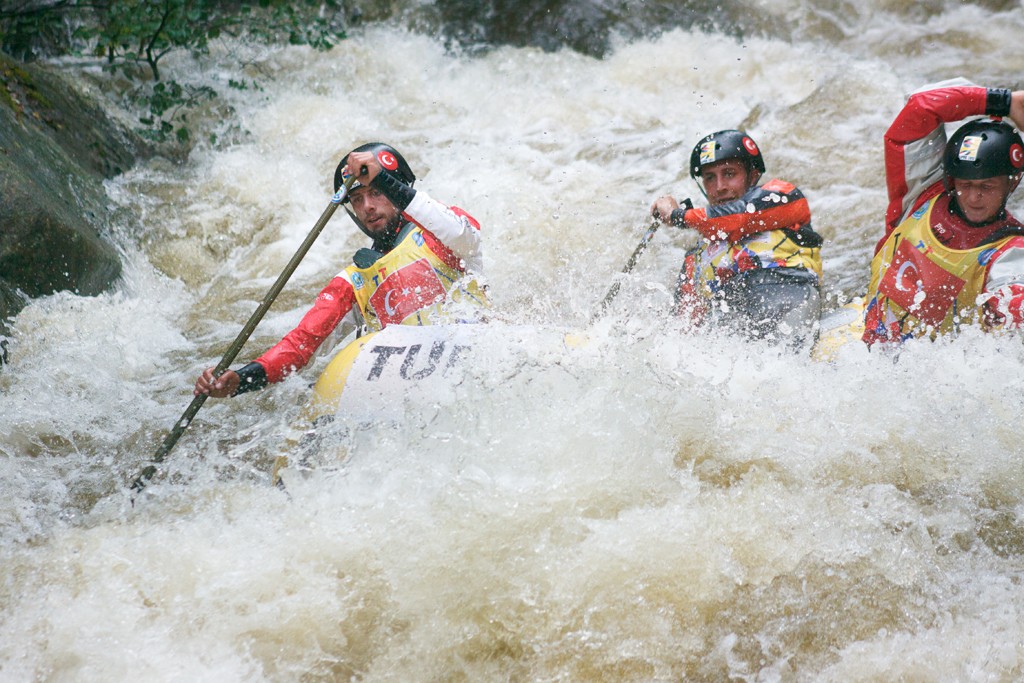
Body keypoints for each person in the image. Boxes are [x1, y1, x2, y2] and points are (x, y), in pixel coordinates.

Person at [195, 142, 487, 398]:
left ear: (398, 188)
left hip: (472, 363)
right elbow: (301, 345)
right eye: (358, 199)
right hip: (413, 387)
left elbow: (463, 234)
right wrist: (242, 380)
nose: (368, 206)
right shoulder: (354, 280)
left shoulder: (442, 233)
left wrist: (384, 178)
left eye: (376, 193)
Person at [862, 80, 1024, 346]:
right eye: (965, 185)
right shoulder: (921, 193)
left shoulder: (1011, 254)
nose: (974, 198)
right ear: (951, 180)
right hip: (861, 343)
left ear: (1012, 182)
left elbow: (1013, 313)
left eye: (987, 186)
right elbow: (920, 105)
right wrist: (1002, 102)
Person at [651, 129, 823, 349]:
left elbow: (739, 217)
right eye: (710, 178)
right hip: (732, 334)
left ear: (752, 175)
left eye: (729, 173)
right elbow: (683, 326)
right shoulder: (697, 256)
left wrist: (677, 216)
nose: (720, 187)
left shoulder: (783, 197)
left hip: (789, 305)